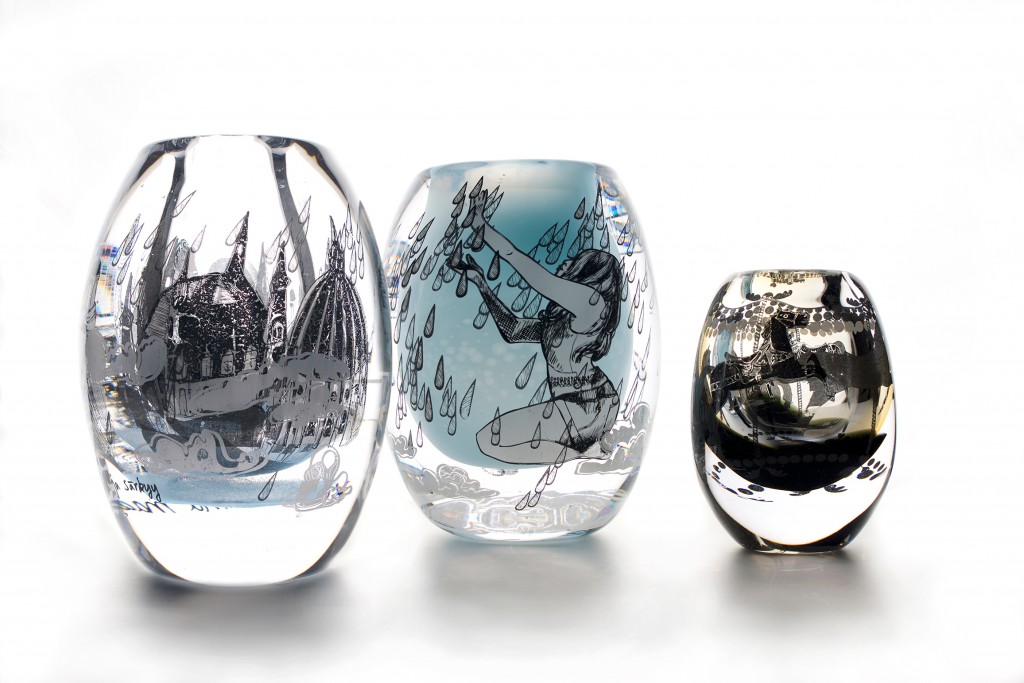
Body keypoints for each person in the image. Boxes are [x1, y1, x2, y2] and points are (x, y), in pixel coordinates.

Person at [449, 216, 623, 466]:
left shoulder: (593, 305)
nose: (565, 262)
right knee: (487, 440)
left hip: (587, 404)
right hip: (587, 403)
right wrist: (481, 283)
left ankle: (586, 453)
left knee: (490, 439)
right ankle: (586, 450)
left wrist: (480, 227)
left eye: (575, 261)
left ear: (587, 273)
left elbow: (534, 275)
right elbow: (513, 330)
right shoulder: (562, 321)